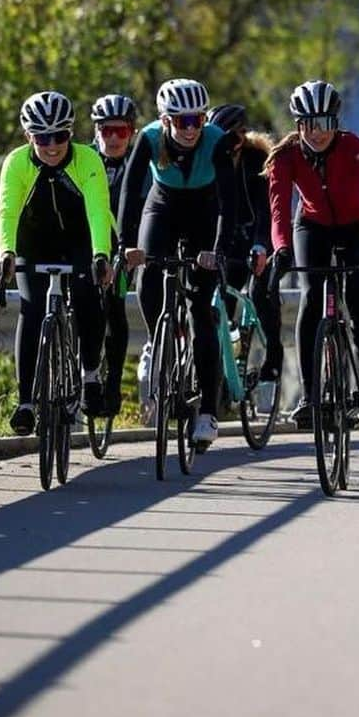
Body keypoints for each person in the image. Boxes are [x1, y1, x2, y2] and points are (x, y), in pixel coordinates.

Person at [118, 78, 237, 447]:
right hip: (163, 206)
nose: (190, 129)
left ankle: (207, 414)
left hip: (204, 212)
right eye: (181, 121)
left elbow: (230, 202)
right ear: (166, 120)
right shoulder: (151, 138)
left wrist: (217, 249)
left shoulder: (217, 140)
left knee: (201, 311)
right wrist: (125, 245)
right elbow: (129, 189)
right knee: (148, 275)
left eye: (197, 120)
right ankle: (158, 340)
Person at [266, 80, 359, 429]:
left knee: (358, 299)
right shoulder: (285, 156)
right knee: (310, 295)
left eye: (325, 124)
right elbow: (278, 212)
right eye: (308, 124)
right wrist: (282, 250)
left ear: (337, 122)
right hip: (312, 224)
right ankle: (309, 395)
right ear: (297, 124)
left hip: (353, 227)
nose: (317, 133)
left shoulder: (356, 148)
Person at [0, 91, 113, 434]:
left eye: (60, 136)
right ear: (28, 135)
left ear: (71, 134)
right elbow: (8, 212)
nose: (51, 145)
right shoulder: (16, 163)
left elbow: (97, 211)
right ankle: (26, 403)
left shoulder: (88, 160)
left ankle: (90, 376)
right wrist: (6, 253)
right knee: (31, 310)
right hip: (34, 244)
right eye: (42, 137)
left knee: (88, 294)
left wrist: (101, 255)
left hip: (81, 240)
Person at [208, 104, 283, 385]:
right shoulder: (211, 160)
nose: (230, 144)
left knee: (259, 292)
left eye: (235, 137)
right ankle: (226, 369)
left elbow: (266, 210)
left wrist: (262, 246)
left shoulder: (257, 159)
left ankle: (273, 355)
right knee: (219, 301)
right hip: (226, 240)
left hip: (257, 238)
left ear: (244, 135)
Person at [90, 92, 139, 417]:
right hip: (89, 244)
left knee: (115, 307)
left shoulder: (140, 161)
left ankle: (112, 383)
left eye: (120, 131)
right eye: (106, 130)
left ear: (132, 132)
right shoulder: (82, 159)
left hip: (125, 246)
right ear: (95, 130)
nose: (113, 138)